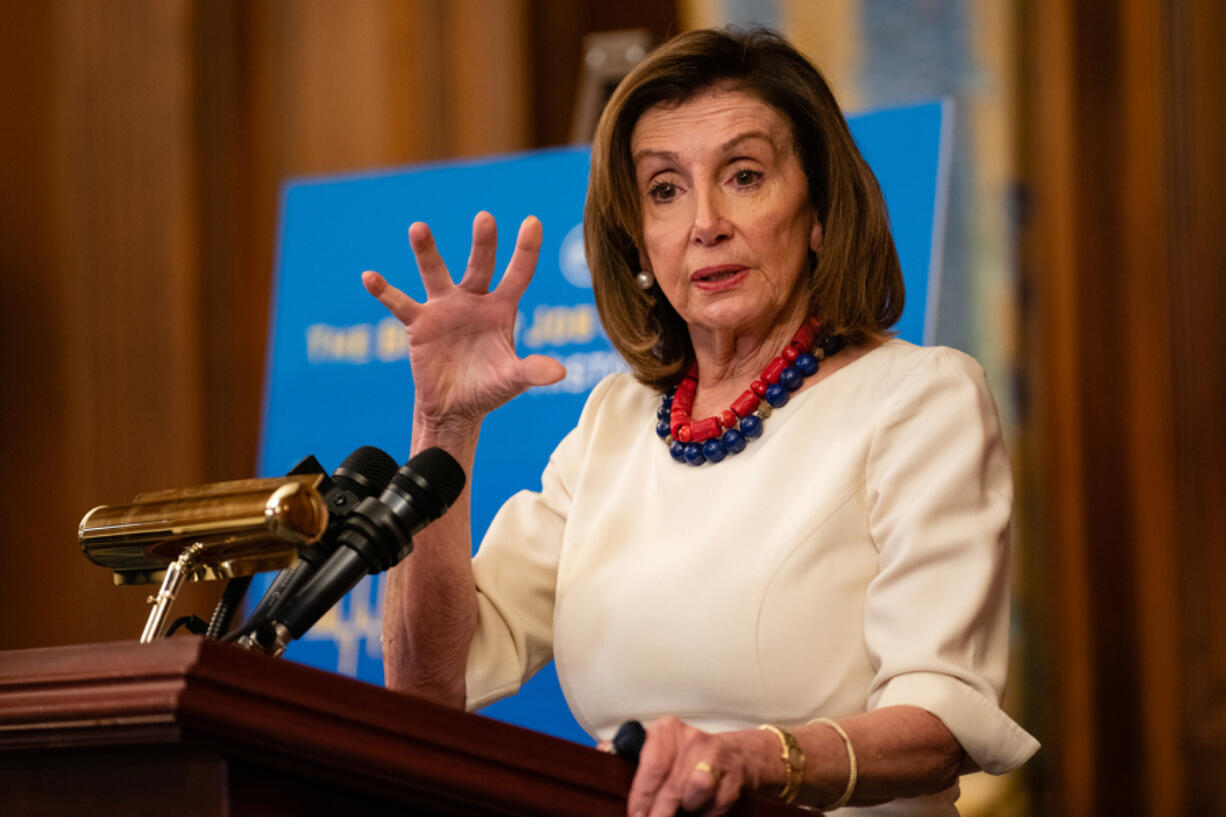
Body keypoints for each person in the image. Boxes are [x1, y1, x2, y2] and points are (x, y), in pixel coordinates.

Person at [363, 27, 1038, 817]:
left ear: (818, 209)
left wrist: (758, 758)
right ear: (640, 242)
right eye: (665, 190)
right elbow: (429, 682)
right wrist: (443, 425)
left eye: (745, 176)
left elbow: (940, 722)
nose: (704, 222)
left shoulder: (920, 398)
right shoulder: (614, 423)